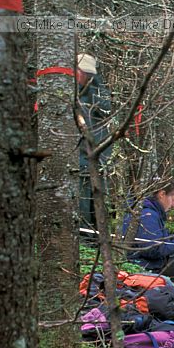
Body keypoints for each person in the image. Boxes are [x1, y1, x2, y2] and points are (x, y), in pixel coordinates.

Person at [77, 53, 112, 236]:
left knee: (94, 207)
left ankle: (93, 244)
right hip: (83, 162)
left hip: (95, 161)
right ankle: (87, 244)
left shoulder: (96, 94)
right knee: (84, 207)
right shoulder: (75, 94)